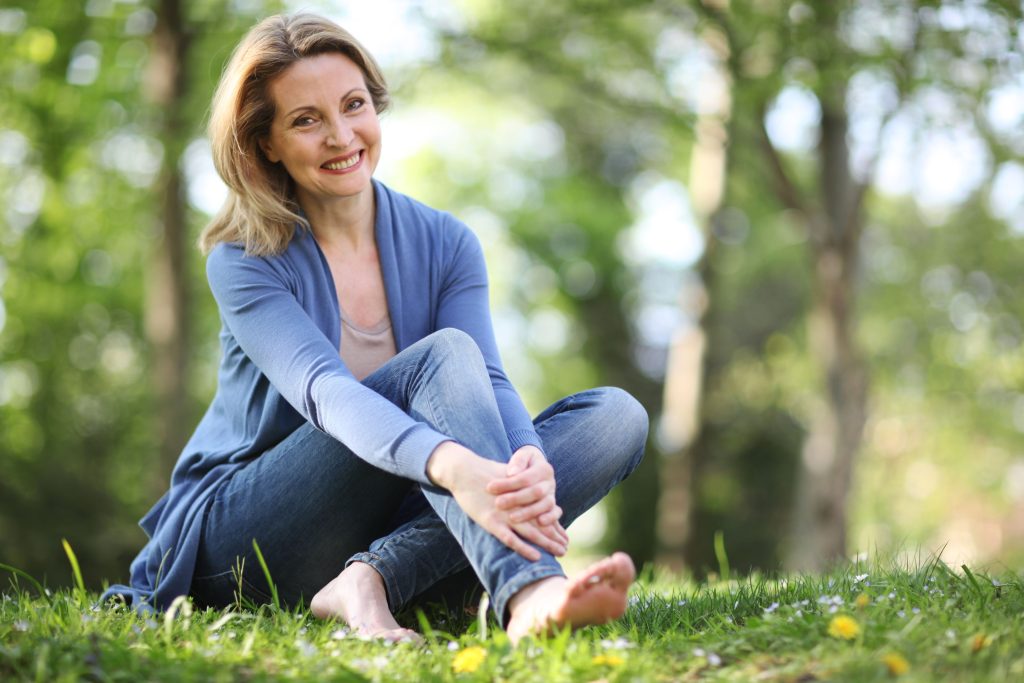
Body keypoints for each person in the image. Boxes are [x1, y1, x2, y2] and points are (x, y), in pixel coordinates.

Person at [103, 13, 648, 644]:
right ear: (266, 144)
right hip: (249, 537)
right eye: (306, 120)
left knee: (616, 418)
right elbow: (326, 394)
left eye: (353, 105)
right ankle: (529, 591)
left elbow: (491, 379)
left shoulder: (447, 243)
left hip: (386, 520)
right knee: (440, 357)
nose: (341, 136)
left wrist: (524, 454)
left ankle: (374, 579)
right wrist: (452, 465)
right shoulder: (244, 259)